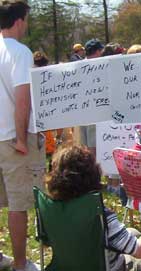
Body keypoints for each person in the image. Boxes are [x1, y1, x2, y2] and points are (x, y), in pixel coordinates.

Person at [46, 146, 141, 271]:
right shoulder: (100, 215)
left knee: (133, 231)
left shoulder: (48, 208)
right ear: (93, 175)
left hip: (67, 265)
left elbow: (45, 242)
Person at [0, 1, 45, 270]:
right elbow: (23, 100)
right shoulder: (20, 52)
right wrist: (20, 138)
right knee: (18, 205)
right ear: (19, 20)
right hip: (11, 138)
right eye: (26, 19)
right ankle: (19, 264)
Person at [76, 38, 104, 158]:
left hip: (81, 112)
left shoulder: (77, 66)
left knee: (84, 144)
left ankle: (86, 168)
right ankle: (92, 169)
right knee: (92, 145)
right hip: (94, 110)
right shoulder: (99, 66)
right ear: (97, 51)